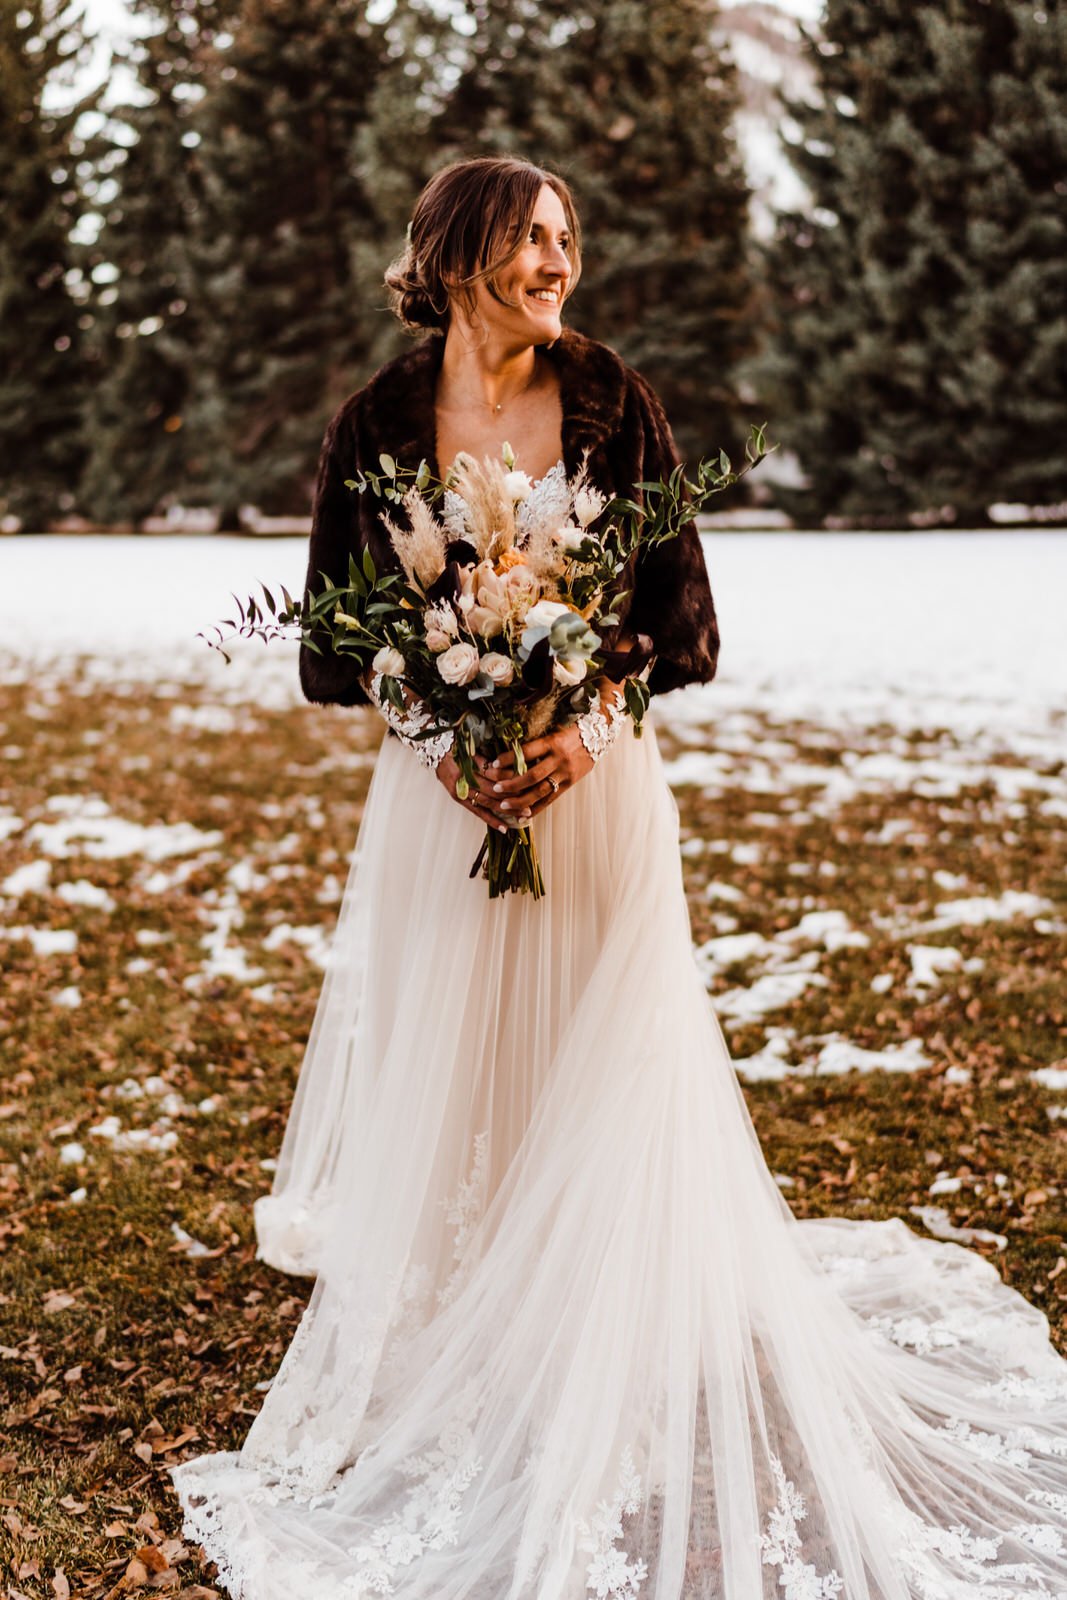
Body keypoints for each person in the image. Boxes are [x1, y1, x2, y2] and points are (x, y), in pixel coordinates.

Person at [172, 157, 1067, 1600]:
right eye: (530, 237)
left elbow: (682, 623)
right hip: (439, 806)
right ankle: (469, 1304)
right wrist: (447, 733)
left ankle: (598, 1302)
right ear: (457, 252)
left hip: (597, 794)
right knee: (454, 1056)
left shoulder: (614, 404)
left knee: (609, 1045)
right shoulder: (375, 425)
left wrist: (579, 726)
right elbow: (334, 650)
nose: (556, 261)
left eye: (568, 239)